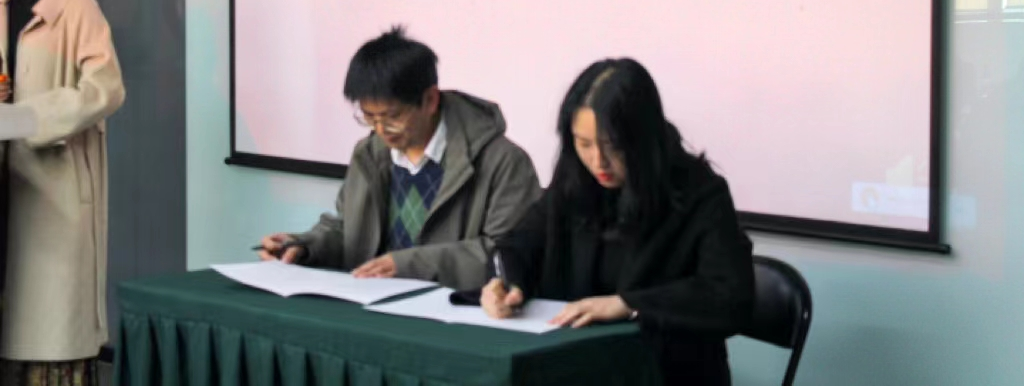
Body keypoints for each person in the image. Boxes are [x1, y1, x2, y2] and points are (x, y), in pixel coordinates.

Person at [482, 58, 754, 386]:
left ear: (643, 139)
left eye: (614, 146)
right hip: (575, 366)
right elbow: (519, 243)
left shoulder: (700, 192)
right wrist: (508, 283)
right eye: (584, 144)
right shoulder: (575, 179)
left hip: (664, 373)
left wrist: (628, 305)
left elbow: (730, 295)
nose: (598, 161)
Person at [260, 26, 541, 290]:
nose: (381, 130)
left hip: (456, 309)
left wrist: (408, 265)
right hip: (372, 302)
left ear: (430, 100)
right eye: (369, 117)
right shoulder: (369, 154)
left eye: (392, 116)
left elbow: (509, 255)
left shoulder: (502, 162)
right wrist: (304, 246)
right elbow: (347, 229)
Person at [0, 0, 126, 385]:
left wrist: (28, 118)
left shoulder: (78, 7)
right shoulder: (0, 4)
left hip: (54, 185)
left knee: (50, 328)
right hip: (5, 185)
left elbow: (105, 89)